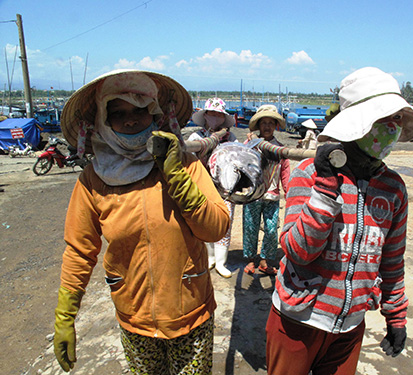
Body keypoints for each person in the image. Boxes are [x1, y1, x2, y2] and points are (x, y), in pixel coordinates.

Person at [53, 70, 230, 374]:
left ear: (156, 115)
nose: (131, 120)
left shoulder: (184, 165)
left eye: (139, 110)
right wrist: (65, 316)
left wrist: (175, 176)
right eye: (118, 113)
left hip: (191, 313)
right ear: (103, 121)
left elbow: (215, 228)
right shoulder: (94, 179)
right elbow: (79, 251)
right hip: (134, 319)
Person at [266, 67, 413, 375]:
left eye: (398, 119)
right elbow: (298, 250)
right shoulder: (310, 173)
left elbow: (392, 261)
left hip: (350, 325)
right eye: (385, 119)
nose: (393, 127)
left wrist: (395, 315)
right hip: (298, 321)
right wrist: (326, 191)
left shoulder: (393, 188)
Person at [188, 97, 237, 278]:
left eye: (219, 114)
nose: (215, 117)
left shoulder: (230, 137)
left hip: (224, 187)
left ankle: (222, 261)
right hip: (201, 185)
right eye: (212, 113)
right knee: (204, 220)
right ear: (205, 115)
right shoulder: (196, 137)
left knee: (225, 220)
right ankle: (209, 257)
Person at [243, 105, 290, 276]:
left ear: (275, 125)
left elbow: (285, 173)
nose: (268, 126)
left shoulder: (280, 148)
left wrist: (289, 192)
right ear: (258, 126)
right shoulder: (249, 144)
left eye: (271, 123)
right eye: (264, 123)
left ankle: (264, 260)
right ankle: (250, 259)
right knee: (250, 227)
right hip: (252, 195)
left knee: (271, 229)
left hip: (272, 195)